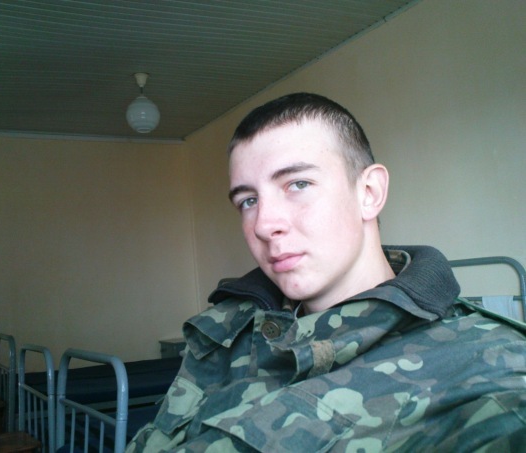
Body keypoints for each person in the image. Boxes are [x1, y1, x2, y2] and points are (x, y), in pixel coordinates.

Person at [127, 93, 526, 452]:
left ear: (369, 193)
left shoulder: (492, 373)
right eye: (248, 200)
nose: (263, 225)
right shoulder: (229, 324)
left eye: (297, 184)